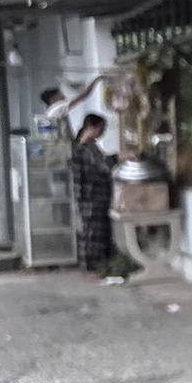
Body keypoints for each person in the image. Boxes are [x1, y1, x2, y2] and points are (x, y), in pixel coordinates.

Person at [69, 113, 114, 273]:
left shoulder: (79, 145)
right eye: (101, 128)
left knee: (89, 231)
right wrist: (118, 157)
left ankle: (91, 266)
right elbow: (104, 167)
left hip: (87, 197)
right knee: (94, 233)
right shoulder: (87, 148)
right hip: (93, 197)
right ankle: (93, 267)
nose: (103, 132)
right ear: (91, 128)